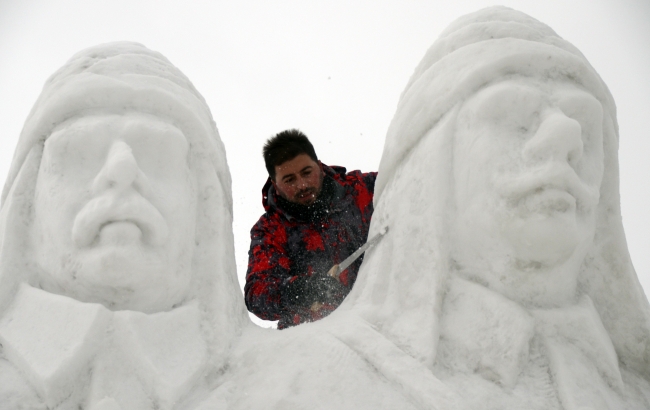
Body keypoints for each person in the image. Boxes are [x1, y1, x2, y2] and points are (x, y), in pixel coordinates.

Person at [335, 6, 650, 409]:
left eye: (586, 126)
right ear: (432, 166)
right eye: (516, 115)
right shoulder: (313, 379)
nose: (566, 134)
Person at [0, 42, 247, 410]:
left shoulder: (302, 383)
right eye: (80, 149)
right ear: (27, 200)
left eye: (160, 154)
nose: (122, 170)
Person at [244, 129, 377, 328]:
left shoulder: (362, 190)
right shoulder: (270, 230)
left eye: (307, 173)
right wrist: (302, 290)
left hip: (377, 322)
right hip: (310, 343)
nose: (302, 185)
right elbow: (257, 294)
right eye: (289, 180)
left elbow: (413, 175)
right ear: (275, 184)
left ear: (319, 166)